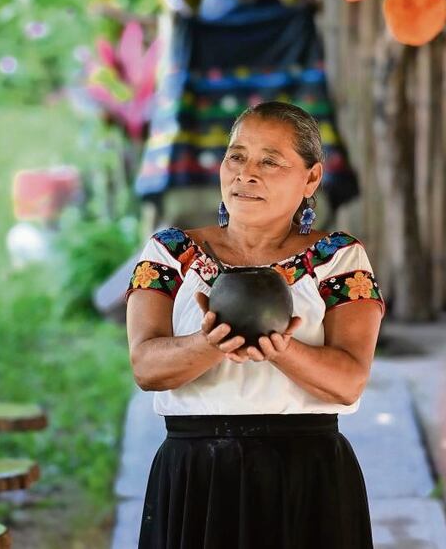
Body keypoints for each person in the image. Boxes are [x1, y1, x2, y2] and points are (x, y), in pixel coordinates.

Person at [125, 101, 385, 548]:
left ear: (311, 179)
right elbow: (147, 368)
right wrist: (211, 343)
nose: (247, 173)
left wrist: (282, 349)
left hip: (306, 477)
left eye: (270, 161)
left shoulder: (338, 259)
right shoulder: (170, 253)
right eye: (236, 156)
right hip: (196, 476)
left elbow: (348, 382)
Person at [134, 0, 360, 232]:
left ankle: (294, 197)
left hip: (272, 27)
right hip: (215, 27)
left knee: (288, 110)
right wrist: (176, 3)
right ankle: (205, 210)